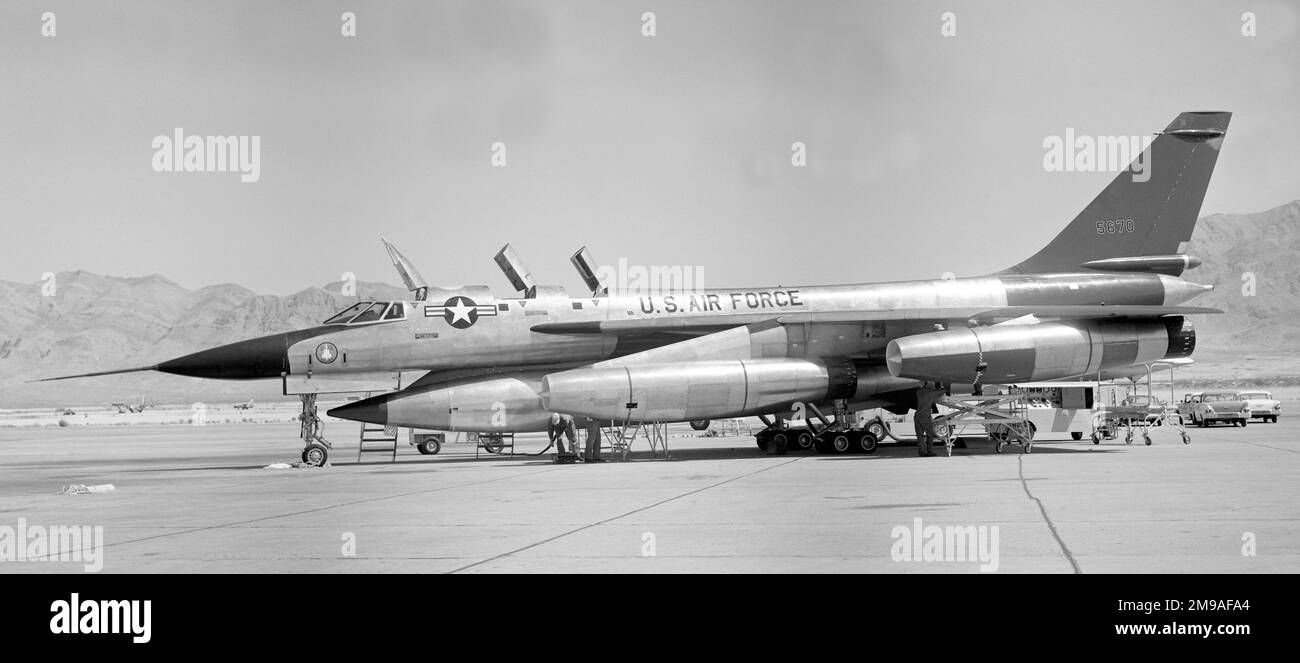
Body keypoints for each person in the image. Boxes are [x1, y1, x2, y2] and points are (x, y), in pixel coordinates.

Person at [914, 382, 945, 457]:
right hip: (925, 417)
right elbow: (942, 391)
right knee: (930, 435)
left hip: (917, 416)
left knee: (920, 436)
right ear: (929, 384)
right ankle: (930, 452)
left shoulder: (918, 391)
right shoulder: (931, 392)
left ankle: (922, 452)